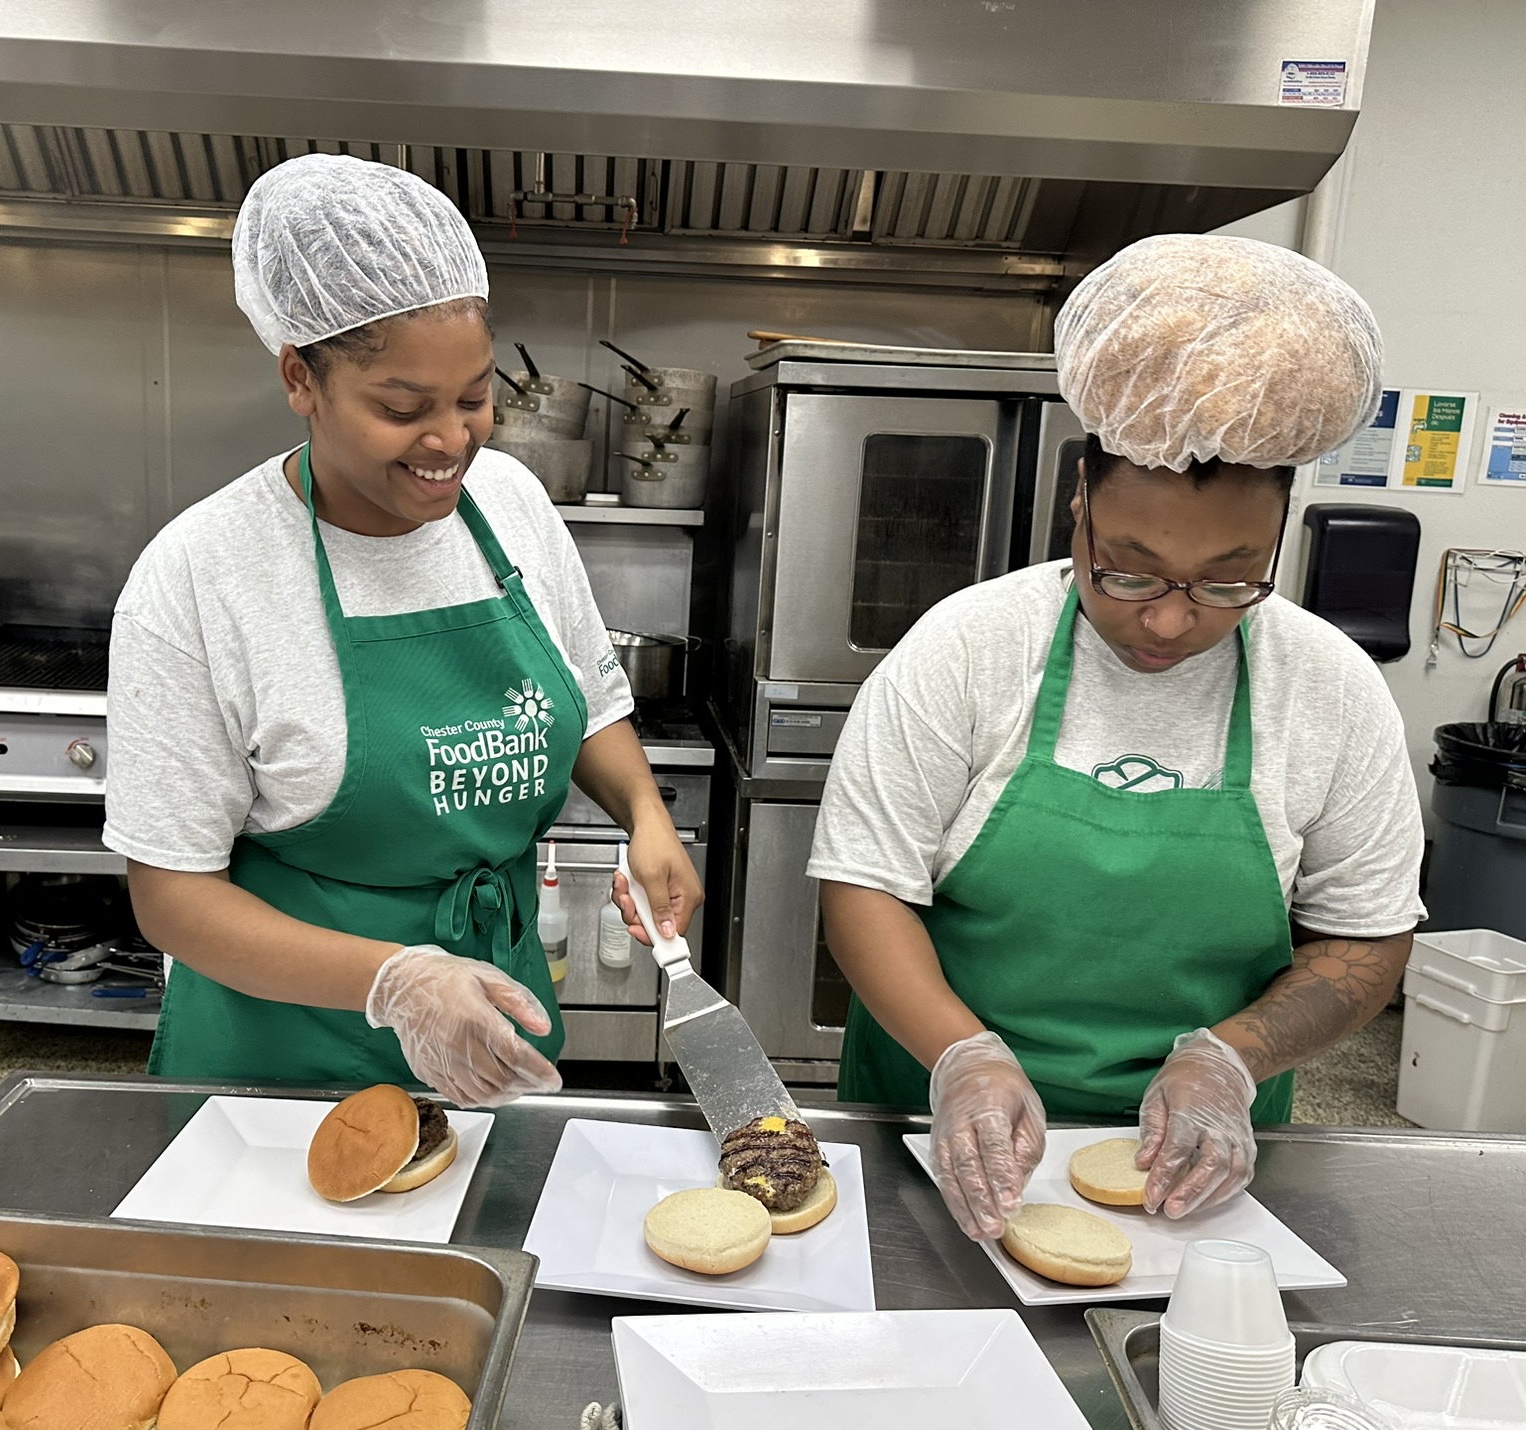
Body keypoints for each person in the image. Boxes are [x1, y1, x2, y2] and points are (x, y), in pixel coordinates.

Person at [809, 235, 1424, 1241]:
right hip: (930, 1127)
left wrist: (1229, 1061)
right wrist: (964, 1059)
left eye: (1228, 580)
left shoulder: (1330, 688)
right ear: (1078, 505)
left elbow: (1365, 934)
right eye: (1128, 571)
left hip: (1203, 1165)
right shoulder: (967, 649)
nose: (1170, 620)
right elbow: (863, 886)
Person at [106, 154, 702, 1105]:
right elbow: (171, 898)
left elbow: (589, 700)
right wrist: (397, 981)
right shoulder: (202, 575)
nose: (452, 441)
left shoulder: (510, 502)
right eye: (402, 408)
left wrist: (645, 814)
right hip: (283, 1057)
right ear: (300, 378)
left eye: (474, 397)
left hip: (496, 1016)